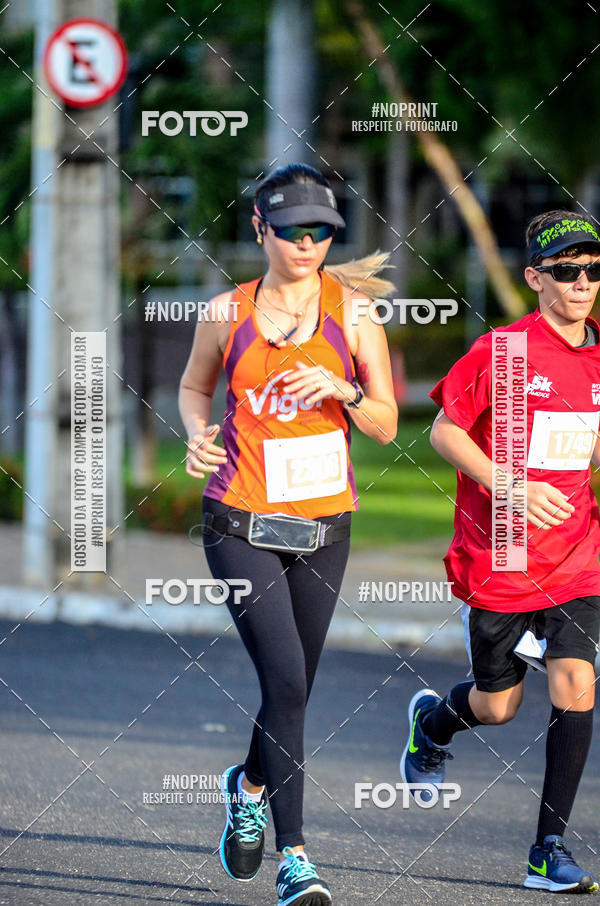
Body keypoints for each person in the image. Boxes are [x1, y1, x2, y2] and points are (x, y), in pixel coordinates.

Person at [178, 163, 398, 906]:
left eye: (322, 231)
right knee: (290, 683)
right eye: (294, 229)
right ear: (260, 229)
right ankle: (295, 857)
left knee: (291, 690)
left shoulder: (356, 314)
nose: (308, 243)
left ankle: (246, 785)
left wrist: (346, 390)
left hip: (324, 526)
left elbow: (388, 423)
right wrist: (195, 435)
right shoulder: (226, 312)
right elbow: (191, 388)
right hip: (238, 519)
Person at [401, 210, 600, 894]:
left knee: (577, 684)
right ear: (536, 278)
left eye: (593, 270)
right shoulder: (504, 352)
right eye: (567, 271)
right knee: (497, 708)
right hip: (503, 554)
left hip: (578, 556)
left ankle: (548, 849)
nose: (582, 283)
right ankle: (432, 723)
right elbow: (444, 433)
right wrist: (509, 487)